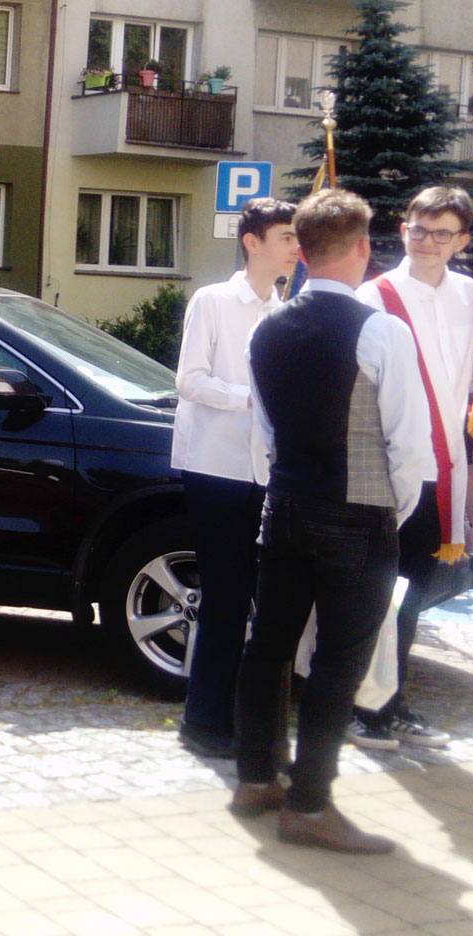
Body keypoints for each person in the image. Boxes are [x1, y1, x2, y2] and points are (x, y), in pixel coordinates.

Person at [232, 188, 433, 854]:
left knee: (268, 645)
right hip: (358, 513)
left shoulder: (267, 328)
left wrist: (283, 493)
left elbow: (263, 432)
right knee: (340, 661)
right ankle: (310, 805)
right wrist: (391, 513)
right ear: (362, 247)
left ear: (304, 250)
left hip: (285, 505)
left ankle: (256, 778)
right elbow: (409, 445)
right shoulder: (382, 330)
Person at [351, 185, 473, 750]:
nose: (427, 242)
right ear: (403, 229)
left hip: (445, 472)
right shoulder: (375, 296)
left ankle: (388, 701)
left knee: (410, 595)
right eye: (419, 229)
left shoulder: (468, 294)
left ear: (461, 241)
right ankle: (362, 708)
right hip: (388, 471)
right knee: (377, 593)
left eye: (442, 234)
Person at [172, 197, 300, 759]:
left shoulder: (284, 311)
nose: (296, 247)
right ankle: (202, 722)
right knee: (225, 598)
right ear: (252, 242)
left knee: (255, 600)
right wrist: (253, 398)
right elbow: (189, 380)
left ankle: (238, 716)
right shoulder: (213, 301)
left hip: (264, 471)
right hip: (215, 468)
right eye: (286, 237)